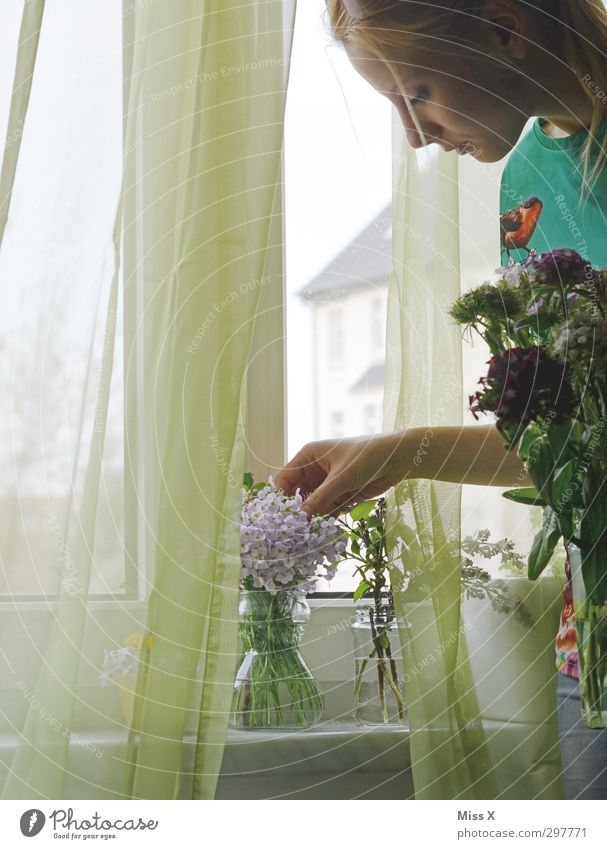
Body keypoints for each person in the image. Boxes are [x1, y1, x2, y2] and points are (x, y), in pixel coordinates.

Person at [276, 0, 607, 799]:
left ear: (503, 26)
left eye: (417, 93)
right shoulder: (525, 187)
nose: (415, 136)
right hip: (590, 642)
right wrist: (392, 454)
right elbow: (558, 448)